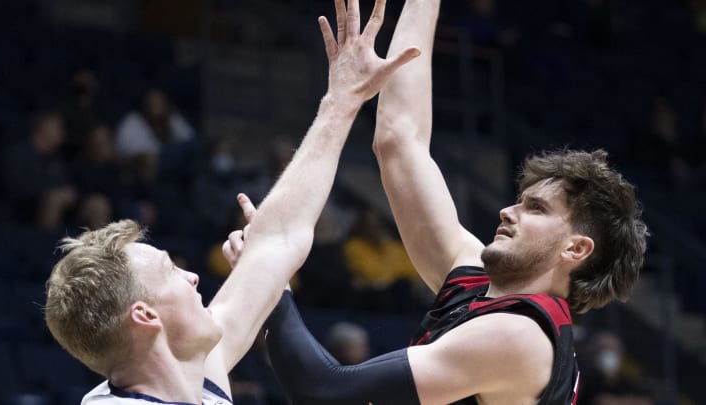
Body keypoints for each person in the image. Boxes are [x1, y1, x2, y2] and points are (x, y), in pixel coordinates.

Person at [224, 0, 648, 404]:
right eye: (520, 201)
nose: (507, 211)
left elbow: (324, 393)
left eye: (536, 208)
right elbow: (399, 140)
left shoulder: (520, 336)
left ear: (575, 248)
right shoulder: (479, 283)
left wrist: (269, 281)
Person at [43, 0, 420, 402]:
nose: (193, 276)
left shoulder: (194, 367)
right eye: (170, 271)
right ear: (145, 316)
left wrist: (342, 101)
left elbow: (278, 239)